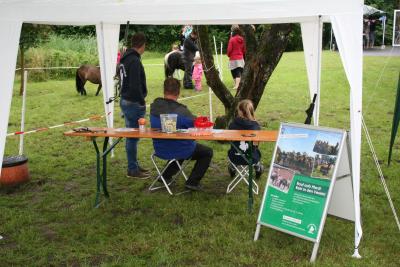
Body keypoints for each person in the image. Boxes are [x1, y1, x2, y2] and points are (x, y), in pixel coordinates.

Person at [150, 78, 213, 191]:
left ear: (164, 91)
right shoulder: (182, 112)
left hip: (160, 148)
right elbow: (197, 124)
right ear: (178, 92)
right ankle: (192, 182)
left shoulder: (154, 107)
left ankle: (165, 175)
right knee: (207, 152)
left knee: (178, 144)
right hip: (180, 148)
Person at [119, 32, 150, 179]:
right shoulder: (135, 61)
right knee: (132, 137)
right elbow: (135, 85)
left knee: (132, 135)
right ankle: (132, 169)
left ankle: (134, 165)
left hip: (125, 100)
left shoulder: (125, 59)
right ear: (142, 45)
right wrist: (141, 102)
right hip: (132, 102)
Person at [227, 99, 263, 179]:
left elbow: (230, 140)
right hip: (252, 158)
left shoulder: (232, 125)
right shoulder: (256, 126)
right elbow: (256, 144)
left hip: (235, 157)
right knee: (255, 151)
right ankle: (257, 167)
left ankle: (233, 167)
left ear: (240, 111)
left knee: (234, 151)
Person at [227, 25, 246, 90]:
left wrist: (228, 55)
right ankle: (237, 85)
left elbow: (229, 49)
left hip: (233, 58)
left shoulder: (232, 39)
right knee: (239, 71)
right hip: (240, 57)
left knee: (234, 71)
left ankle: (237, 85)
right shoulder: (242, 39)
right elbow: (244, 49)